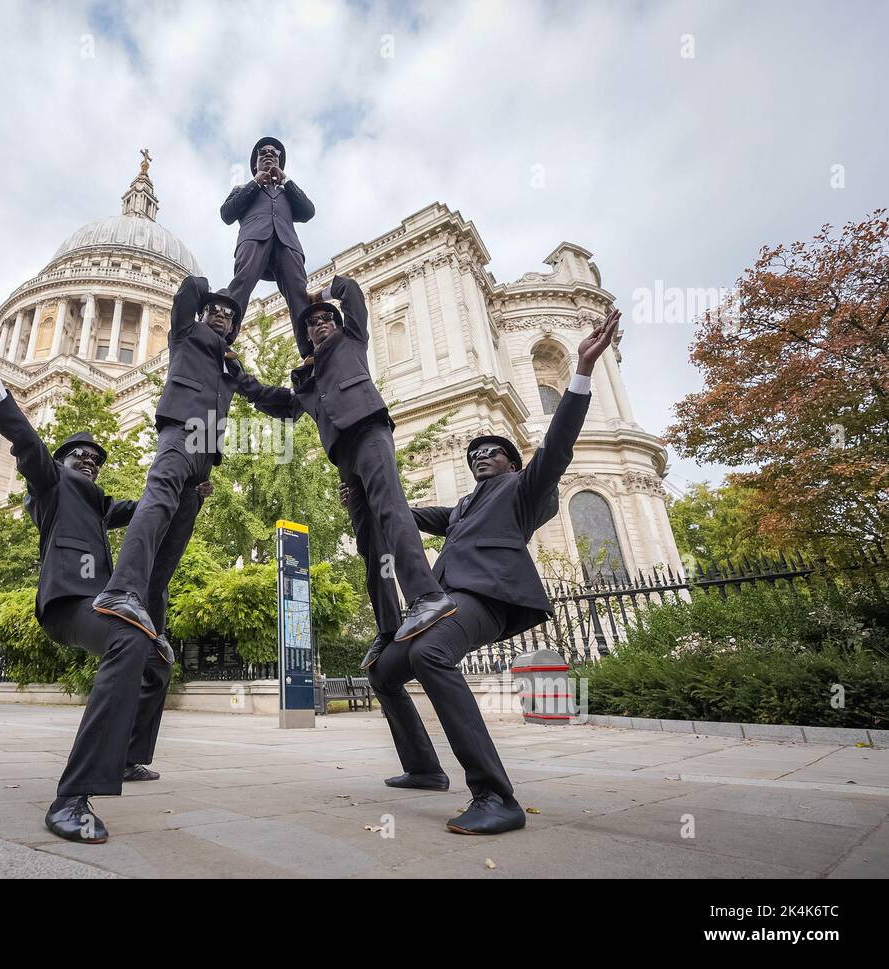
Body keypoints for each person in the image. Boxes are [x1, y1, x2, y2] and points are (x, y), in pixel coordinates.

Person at [349, 308, 621, 835]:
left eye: (495, 451)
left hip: (488, 598)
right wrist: (362, 484)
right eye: (477, 452)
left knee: (430, 654)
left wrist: (583, 371)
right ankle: (425, 768)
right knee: (384, 673)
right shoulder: (459, 511)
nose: (483, 456)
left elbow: (559, 444)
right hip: (446, 602)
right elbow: (397, 513)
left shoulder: (524, 492)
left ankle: (496, 795)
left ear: (513, 464)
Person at [0, 313, 209, 843]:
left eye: (97, 460)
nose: (90, 463)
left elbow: (152, 504)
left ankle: (128, 758)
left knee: (157, 658)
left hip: (100, 601)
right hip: (68, 604)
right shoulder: (51, 485)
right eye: (81, 455)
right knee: (130, 636)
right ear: (62, 461)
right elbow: (27, 443)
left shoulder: (98, 504)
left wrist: (190, 484)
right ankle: (71, 797)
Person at [92, 275, 295, 642]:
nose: (220, 315)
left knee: (175, 541)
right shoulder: (185, 334)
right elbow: (188, 289)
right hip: (180, 432)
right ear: (201, 315)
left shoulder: (230, 366)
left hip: (204, 457)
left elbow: (262, 395)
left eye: (227, 315)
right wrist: (216, 292)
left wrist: (305, 400)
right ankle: (121, 590)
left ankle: (151, 622)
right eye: (213, 310)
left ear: (234, 328)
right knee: (155, 506)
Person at [268, 274, 459, 649]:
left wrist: (317, 294)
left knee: (391, 509)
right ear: (306, 337)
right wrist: (237, 376)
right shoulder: (310, 378)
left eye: (326, 319)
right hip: (344, 456)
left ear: (337, 324)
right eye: (312, 322)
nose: (320, 323)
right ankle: (388, 628)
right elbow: (282, 405)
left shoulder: (352, 339)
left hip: (369, 430)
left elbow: (352, 291)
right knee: (369, 542)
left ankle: (428, 595)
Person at [221, 136, 316, 340]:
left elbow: (308, 212)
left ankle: (309, 350)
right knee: (241, 286)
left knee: (298, 294)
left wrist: (285, 181)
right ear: (255, 163)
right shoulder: (242, 189)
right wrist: (256, 182)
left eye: (275, 153)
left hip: (287, 244)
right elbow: (227, 214)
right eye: (263, 152)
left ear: (280, 163)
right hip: (254, 238)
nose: (269, 155)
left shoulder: (288, 192)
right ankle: (222, 340)